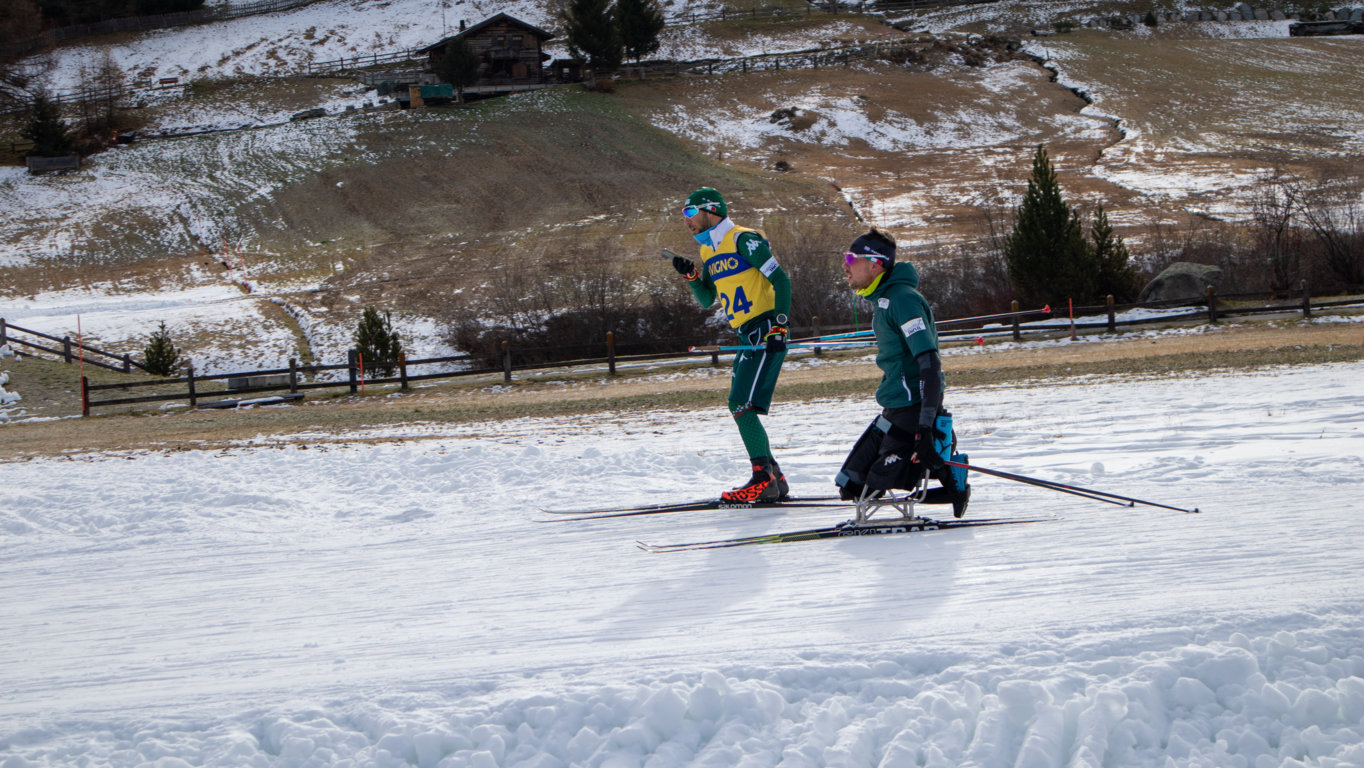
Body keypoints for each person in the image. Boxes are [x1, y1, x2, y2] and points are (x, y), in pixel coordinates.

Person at [833, 228, 971, 518]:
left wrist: (924, 427)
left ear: (874, 263)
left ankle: (945, 468)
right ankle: (946, 470)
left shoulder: (902, 300)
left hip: (912, 409)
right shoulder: (884, 300)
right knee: (850, 483)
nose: (844, 265)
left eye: (850, 258)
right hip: (894, 407)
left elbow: (930, 364)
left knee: (872, 484)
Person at [671, 187, 793, 502]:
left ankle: (762, 477)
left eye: (689, 212)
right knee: (740, 404)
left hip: (765, 328)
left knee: (740, 403)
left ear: (710, 210)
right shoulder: (708, 251)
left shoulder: (743, 238)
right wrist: (692, 277)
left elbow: (781, 280)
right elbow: (707, 298)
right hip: (744, 334)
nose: (686, 221)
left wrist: (779, 325)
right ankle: (773, 475)